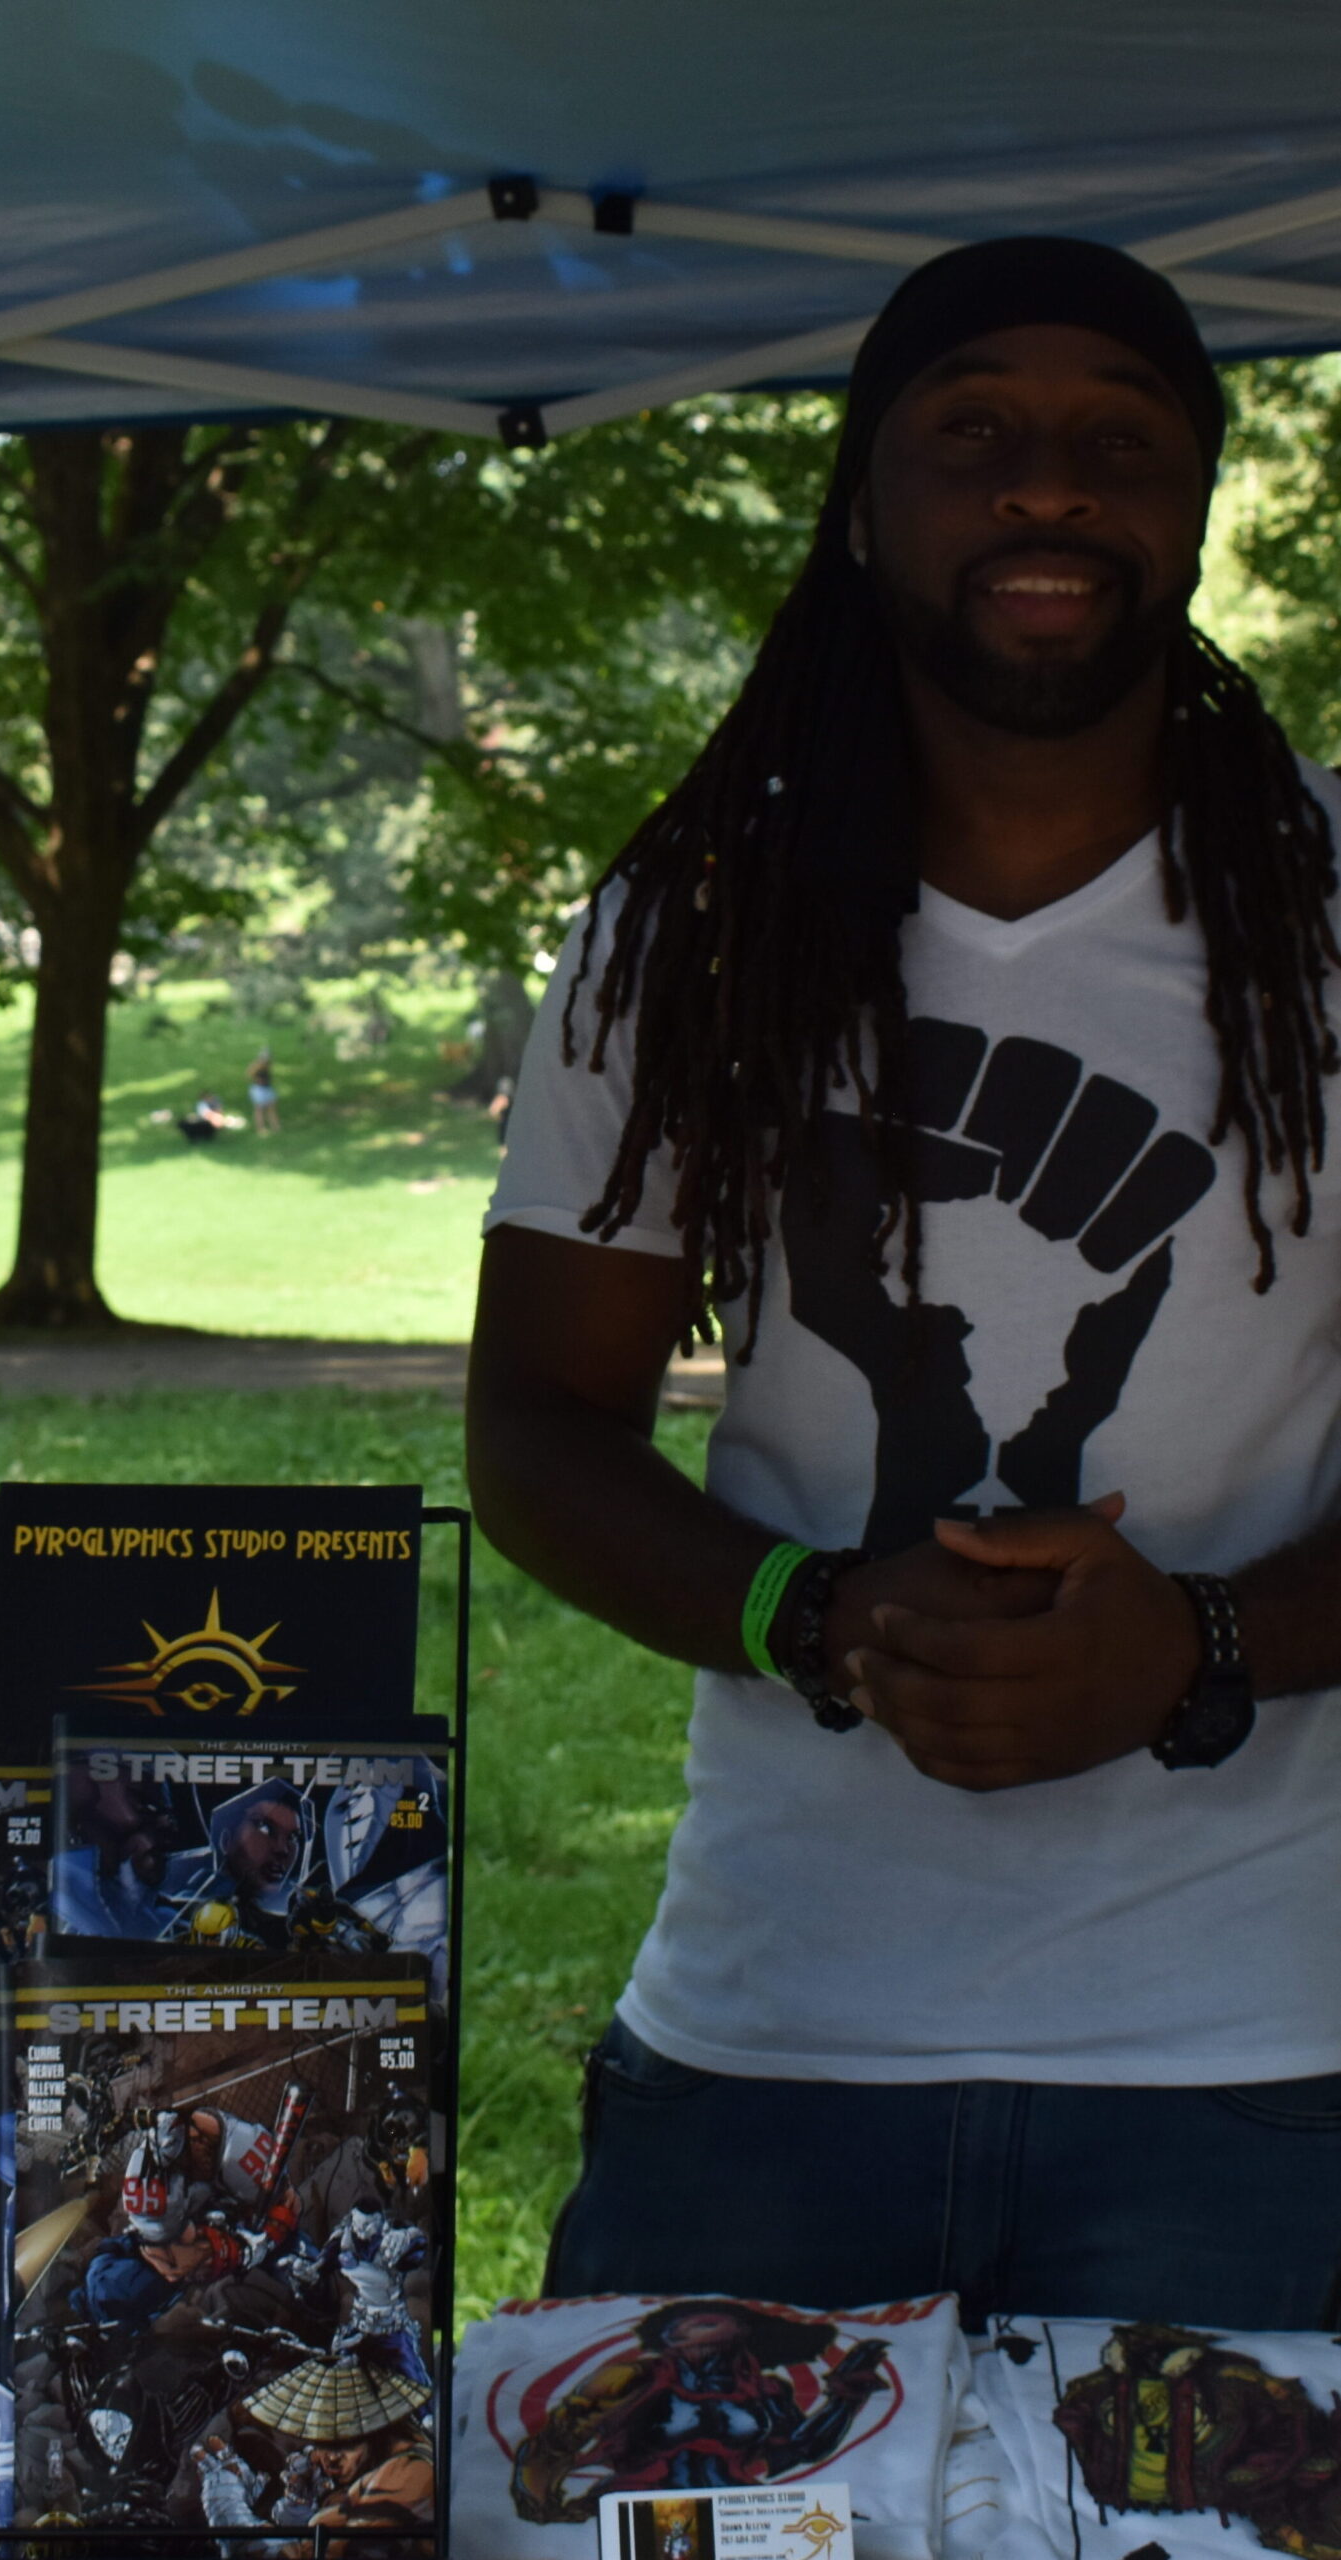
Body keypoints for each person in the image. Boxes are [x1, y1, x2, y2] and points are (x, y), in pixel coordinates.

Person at [469, 235, 1341, 2331]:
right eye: (974, 433)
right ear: (864, 501)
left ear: (1196, 506)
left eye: (1118, 441)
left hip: (1260, 2055)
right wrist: (819, 1614)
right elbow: (535, 1428)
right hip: (776, 2028)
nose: (1048, 485)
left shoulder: (1321, 911)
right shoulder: (699, 921)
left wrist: (1198, 1640)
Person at [248, 1046, 281, 1134]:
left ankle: (275, 1126)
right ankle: (260, 1128)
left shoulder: (267, 1065)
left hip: (267, 1088)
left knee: (271, 1108)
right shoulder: (256, 1065)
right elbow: (249, 1074)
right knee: (259, 1109)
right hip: (259, 1089)